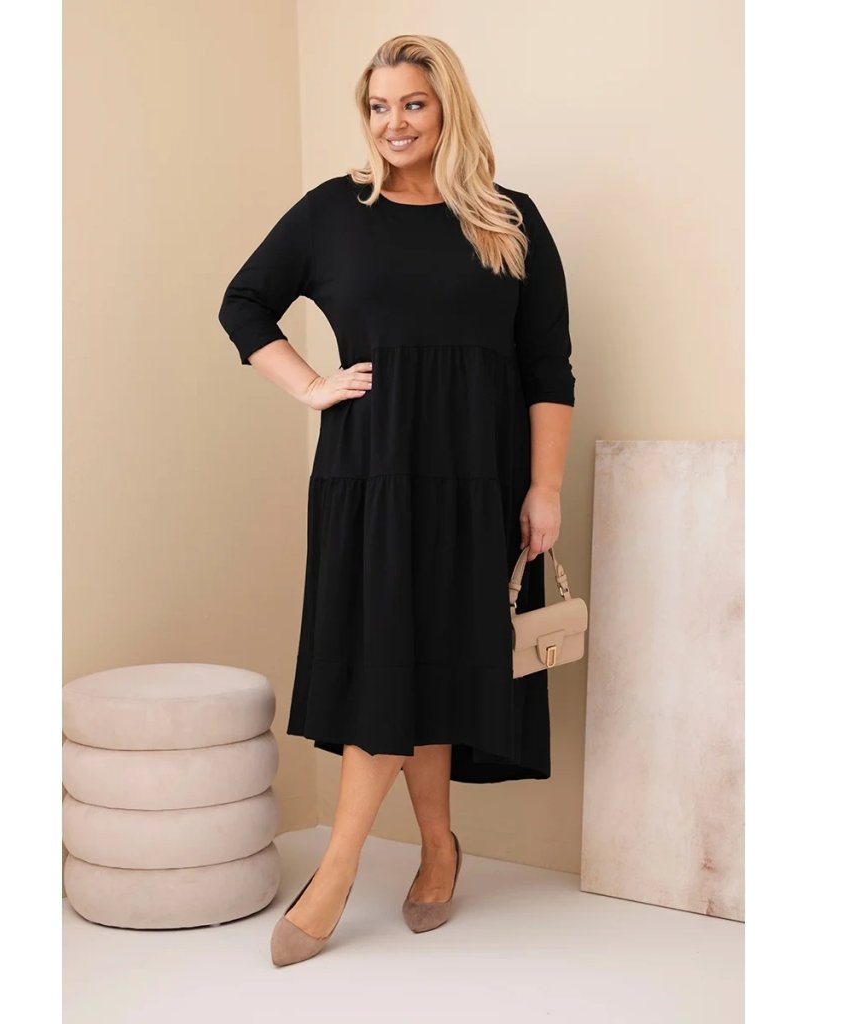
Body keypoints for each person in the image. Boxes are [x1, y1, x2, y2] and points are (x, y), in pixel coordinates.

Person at [217, 34, 575, 966]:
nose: (393, 123)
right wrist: (310, 385)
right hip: (371, 474)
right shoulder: (335, 211)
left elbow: (548, 367)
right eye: (378, 107)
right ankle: (343, 868)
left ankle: (434, 848)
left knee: (441, 658)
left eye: (412, 103)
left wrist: (544, 488)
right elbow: (244, 303)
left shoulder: (509, 219)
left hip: (479, 478)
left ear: (447, 107)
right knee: (386, 660)